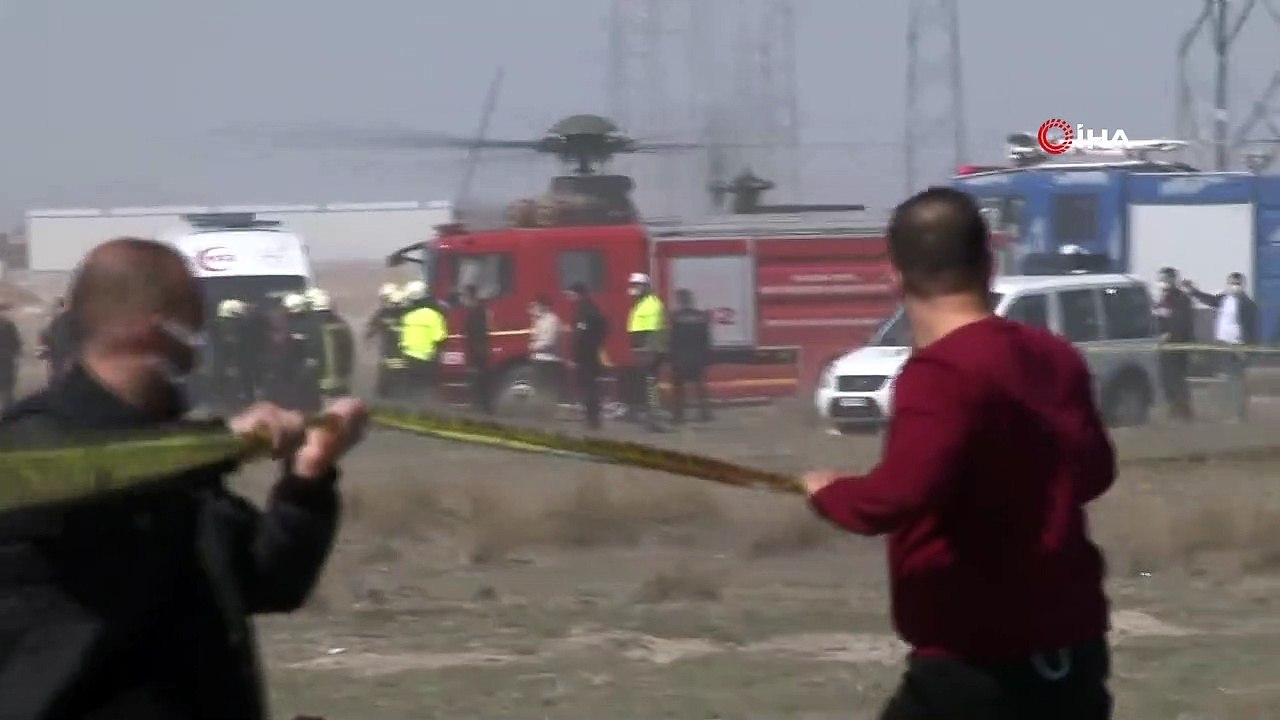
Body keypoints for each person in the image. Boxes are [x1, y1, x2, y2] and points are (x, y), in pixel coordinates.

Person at [0, 236, 367, 720]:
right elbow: (85, 479)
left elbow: (268, 580)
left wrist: (307, 480)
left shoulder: (178, 456)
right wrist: (222, 442)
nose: (200, 346)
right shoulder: (32, 442)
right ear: (153, 329)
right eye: (195, 322)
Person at [802, 188, 1115, 720]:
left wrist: (829, 492)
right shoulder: (1055, 356)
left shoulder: (940, 373)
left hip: (979, 665)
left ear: (895, 275)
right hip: (1072, 654)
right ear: (989, 264)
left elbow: (897, 495)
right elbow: (1095, 473)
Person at [1183, 272, 1257, 422]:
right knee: (1229, 379)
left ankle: (1239, 413)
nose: (1234, 286)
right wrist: (1193, 291)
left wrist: (1246, 348)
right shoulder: (1225, 299)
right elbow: (1210, 300)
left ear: (1242, 285)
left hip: (1238, 346)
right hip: (1224, 345)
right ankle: (1232, 411)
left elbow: (1252, 328)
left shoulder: (1248, 304)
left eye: (1237, 283)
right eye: (1232, 283)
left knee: (1237, 380)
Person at [1153, 266, 1195, 421]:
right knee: (1166, 379)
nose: (1162, 282)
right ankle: (1173, 408)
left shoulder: (1181, 298)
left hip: (1177, 346)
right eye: (1160, 279)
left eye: (1164, 279)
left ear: (1172, 280)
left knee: (1177, 378)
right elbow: (1158, 317)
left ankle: (1184, 412)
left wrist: (1169, 335)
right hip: (1164, 347)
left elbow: (1182, 322)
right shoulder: (1162, 299)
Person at [626, 272, 666, 432]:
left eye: (637, 285)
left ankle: (655, 421)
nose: (634, 288)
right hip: (643, 351)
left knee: (651, 386)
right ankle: (651, 419)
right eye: (633, 285)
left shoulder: (652, 304)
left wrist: (649, 353)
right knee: (648, 386)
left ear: (646, 286)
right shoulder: (639, 303)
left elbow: (653, 331)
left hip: (650, 351)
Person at [668, 288, 713, 424]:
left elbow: (672, 340)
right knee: (700, 386)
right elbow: (705, 339)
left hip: (681, 358)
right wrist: (705, 357)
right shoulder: (700, 316)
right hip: (697, 357)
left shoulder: (675, 317)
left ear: (680, 301)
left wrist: (671, 357)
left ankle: (678, 416)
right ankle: (705, 413)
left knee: (679, 388)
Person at [567, 282, 608, 429]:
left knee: (588, 387)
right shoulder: (590, 309)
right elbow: (603, 330)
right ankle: (592, 418)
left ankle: (592, 420)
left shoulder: (585, 311)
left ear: (578, 294)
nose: (569, 297)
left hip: (586, 356)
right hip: (590, 354)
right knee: (590, 386)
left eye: (571, 294)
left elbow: (580, 336)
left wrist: (574, 356)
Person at [398, 282, 447, 402]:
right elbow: (439, 338)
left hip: (408, 359)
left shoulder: (408, 316)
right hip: (427, 361)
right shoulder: (433, 315)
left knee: (410, 392)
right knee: (426, 391)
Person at [305, 288, 354, 400]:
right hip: (340, 383)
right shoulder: (340, 323)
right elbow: (348, 351)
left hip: (318, 386)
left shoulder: (311, 326)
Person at [367, 283, 408, 398]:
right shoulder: (410, 313)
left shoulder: (382, 314)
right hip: (408, 360)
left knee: (385, 392)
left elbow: (370, 330)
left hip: (389, 358)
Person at [211, 298, 251, 412]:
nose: (226, 324)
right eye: (224, 320)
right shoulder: (213, 341)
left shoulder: (247, 342)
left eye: (235, 321)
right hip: (220, 395)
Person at [460, 284, 494, 414]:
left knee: (479, 379)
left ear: (470, 296)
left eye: (465, 297)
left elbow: (476, 331)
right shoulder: (481, 309)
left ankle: (481, 407)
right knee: (481, 379)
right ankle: (482, 405)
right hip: (480, 349)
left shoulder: (476, 311)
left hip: (478, 351)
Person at [528, 295, 564, 409]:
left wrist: (534, 346)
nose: (534, 309)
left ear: (544, 306)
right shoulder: (540, 320)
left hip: (548, 360)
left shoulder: (552, 320)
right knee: (539, 387)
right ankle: (542, 409)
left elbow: (549, 341)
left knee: (547, 387)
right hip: (539, 358)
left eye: (536, 306)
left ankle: (548, 408)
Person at [37, 296, 76, 383]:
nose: (53, 310)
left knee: (61, 377)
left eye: (55, 307)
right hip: (59, 356)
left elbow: (54, 338)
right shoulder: (56, 320)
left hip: (62, 356)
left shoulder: (63, 320)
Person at [0, 302, 20, 410]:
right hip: (7, 360)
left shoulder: (9, 325)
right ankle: (8, 409)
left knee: (7, 387)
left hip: (7, 359)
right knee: (7, 388)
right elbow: (16, 342)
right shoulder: (9, 325)